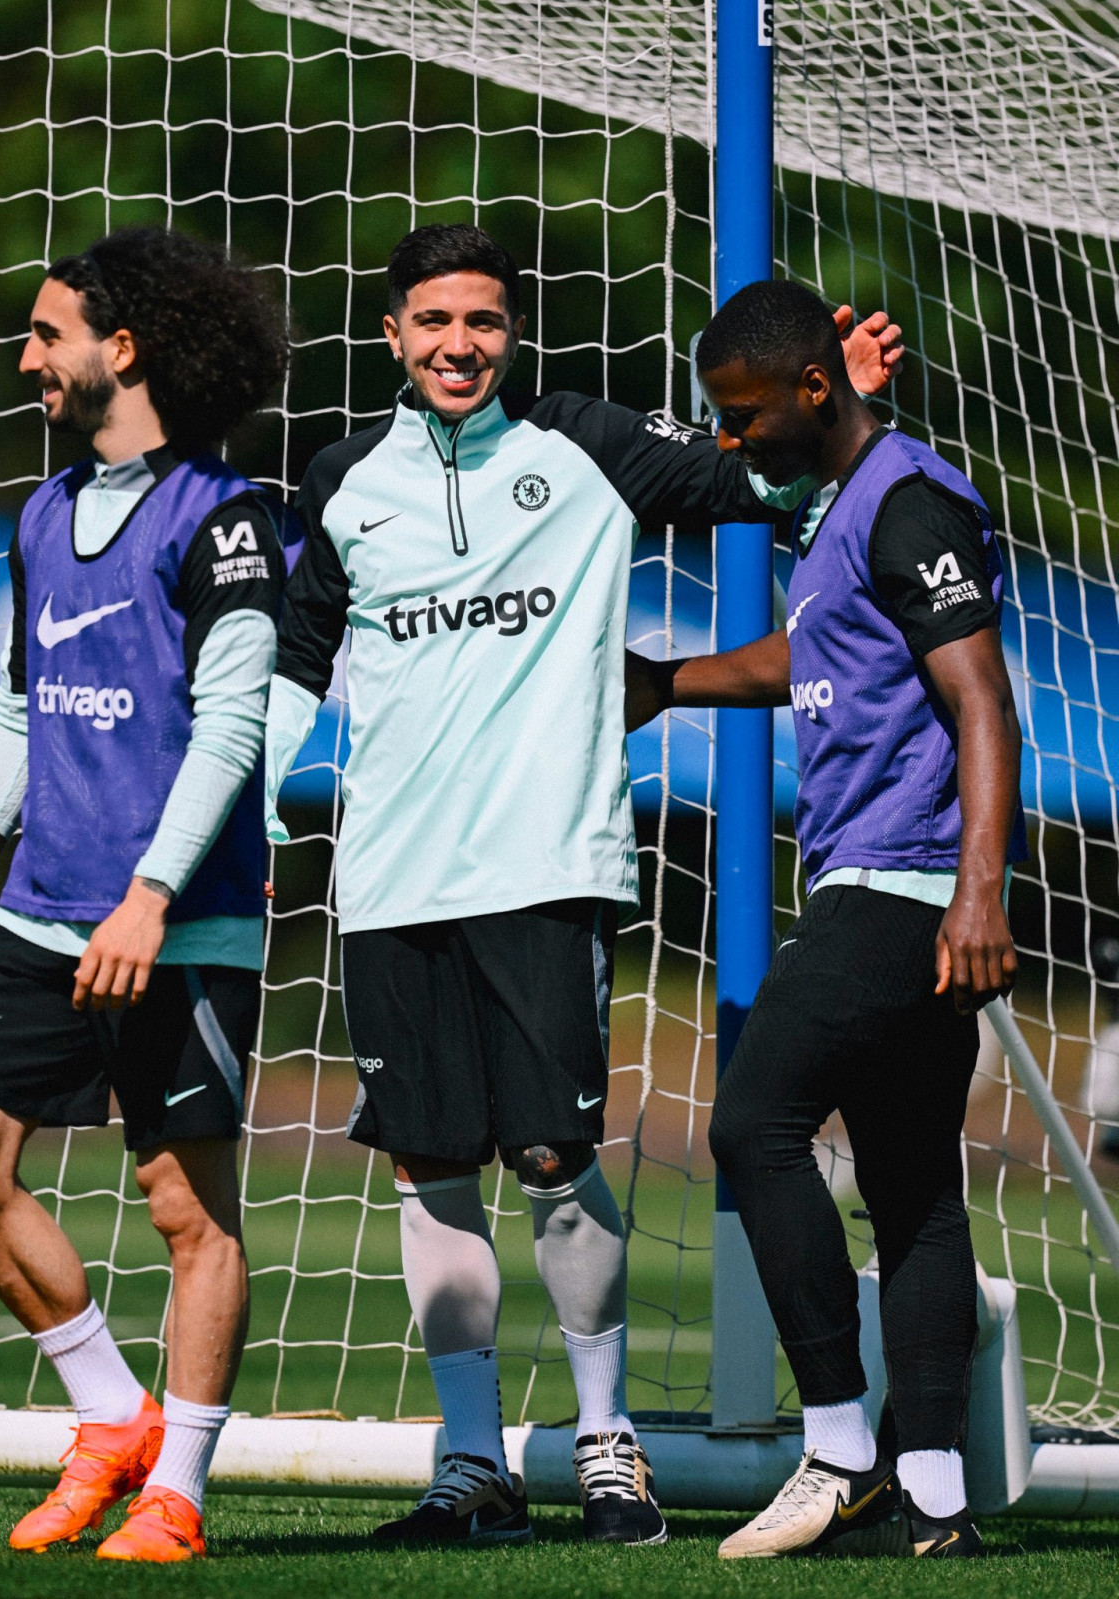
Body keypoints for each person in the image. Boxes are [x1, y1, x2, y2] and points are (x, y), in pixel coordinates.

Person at [263, 222, 901, 1544]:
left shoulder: (585, 444)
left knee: (554, 1158)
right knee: (431, 1169)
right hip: (388, 878)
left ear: (513, 331)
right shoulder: (340, 479)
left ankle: (609, 1441)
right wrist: (246, 814)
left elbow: (757, 485)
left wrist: (834, 398)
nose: (459, 346)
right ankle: (469, 1460)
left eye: (484, 321)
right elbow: (293, 666)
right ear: (393, 335)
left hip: (548, 865)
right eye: (434, 322)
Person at [0, 225, 298, 1562]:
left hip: (178, 922)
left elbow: (232, 731)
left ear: (120, 349)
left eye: (46, 333)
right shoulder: (39, 509)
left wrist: (148, 896)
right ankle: (110, 1413)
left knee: (190, 1212)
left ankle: (177, 1489)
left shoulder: (231, 521)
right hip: (41, 909)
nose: (27, 357)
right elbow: (19, 711)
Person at [626, 277, 1026, 1560]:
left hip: (903, 887)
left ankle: (839, 1451)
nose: (729, 441)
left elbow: (978, 700)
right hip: (891, 881)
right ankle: (933, 1501)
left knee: (751, 1124)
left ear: (813, 390)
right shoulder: (836, 514)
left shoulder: (906, 501)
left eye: (743, 419)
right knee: (913, 1188)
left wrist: (976, 895)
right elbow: (820, 661)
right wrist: (666, 682)